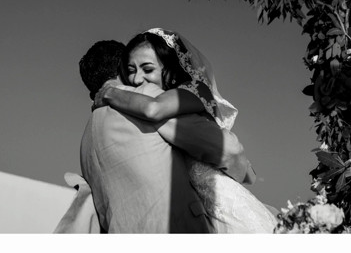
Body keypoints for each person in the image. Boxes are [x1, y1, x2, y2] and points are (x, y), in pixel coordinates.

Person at [94, 28, 279, 233]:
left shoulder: (194, 90)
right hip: (200, 212)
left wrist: (110, 92)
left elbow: (153, 108)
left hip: (224, 203)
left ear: (170, 68)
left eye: (147, 69)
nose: (137, 79)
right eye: (131, 70)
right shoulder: (161, 103)